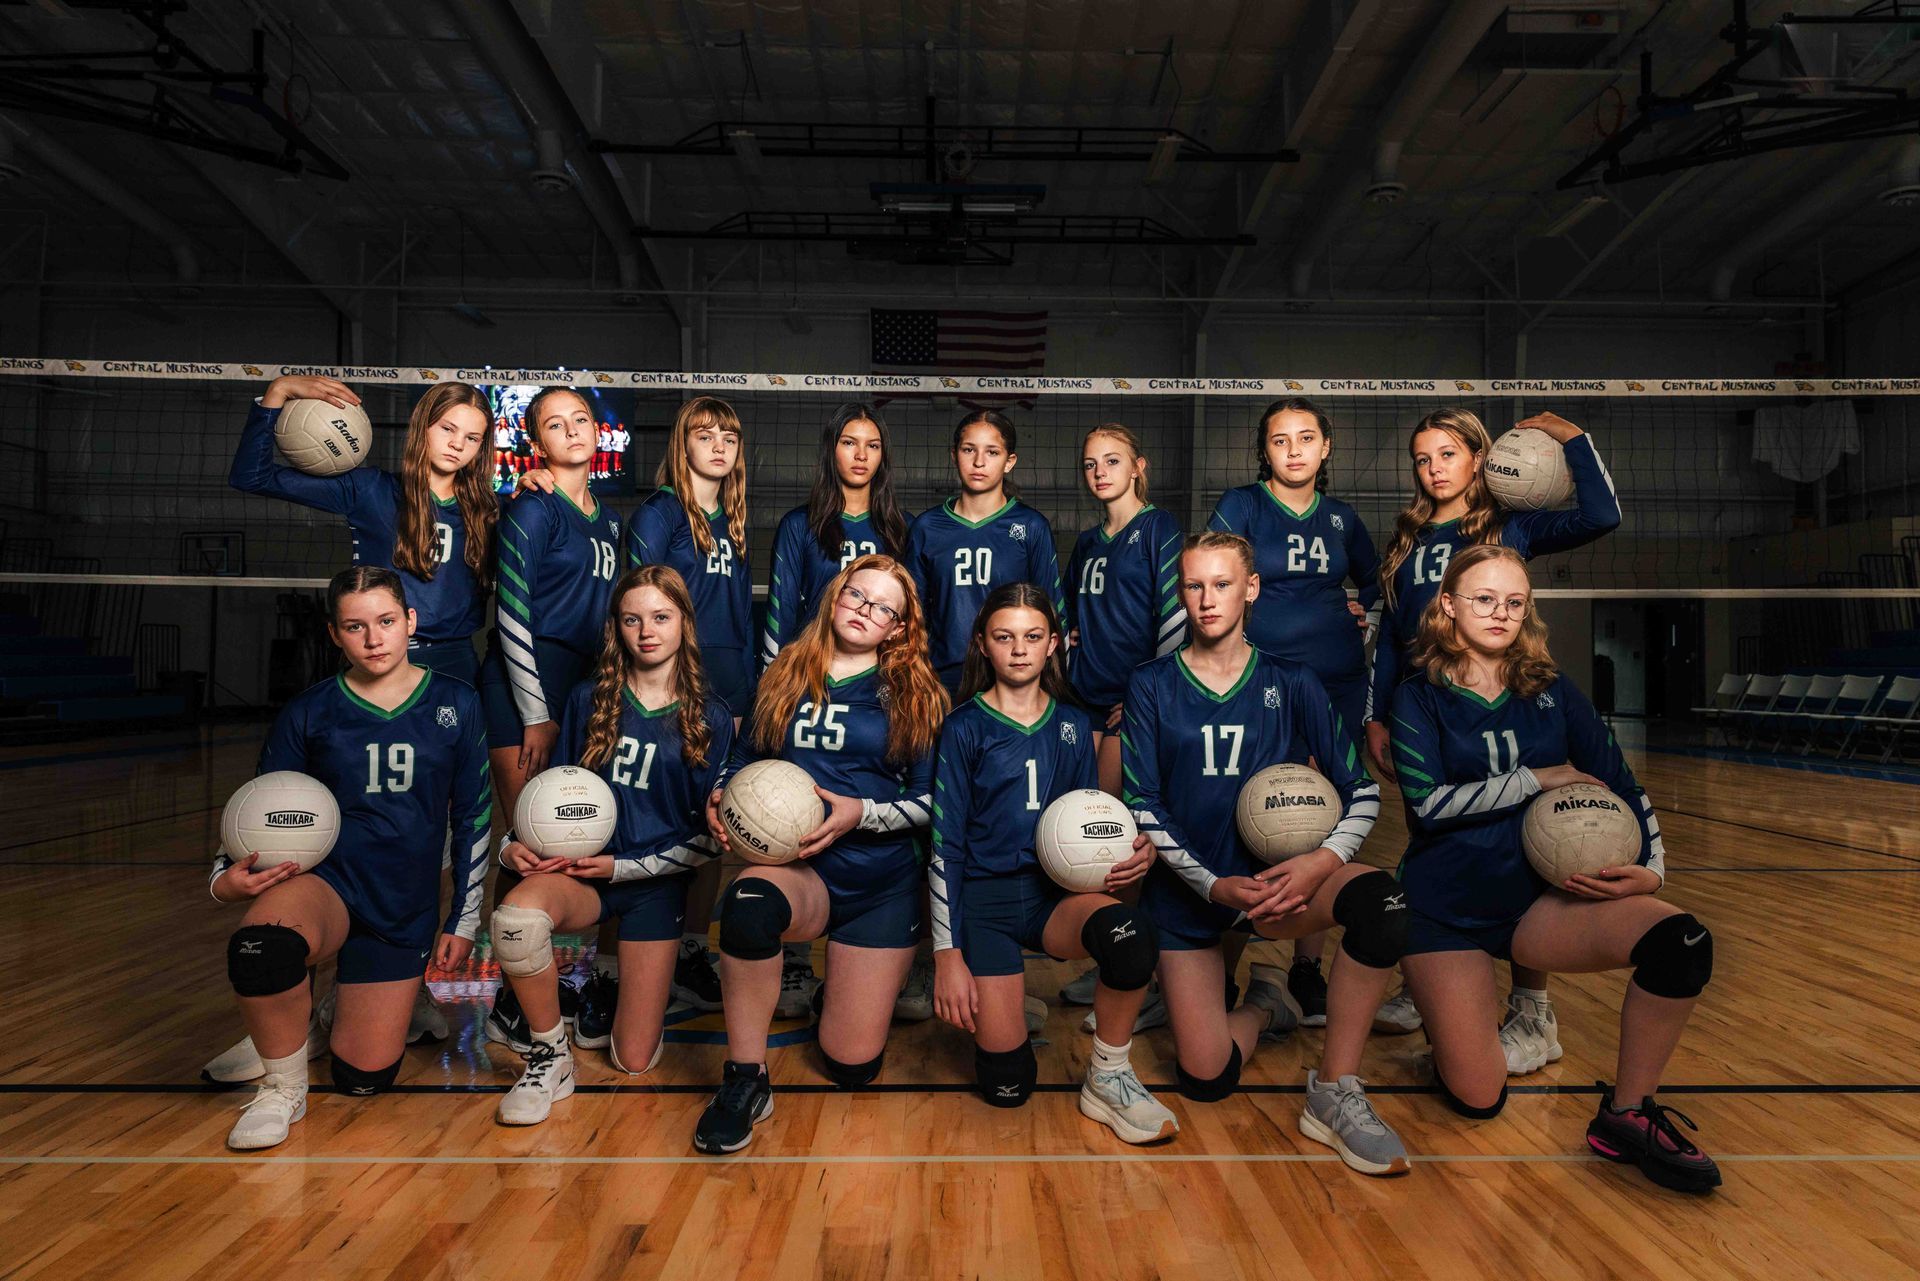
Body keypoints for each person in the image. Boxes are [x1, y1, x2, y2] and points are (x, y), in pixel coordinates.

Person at [1391, 544, 1717, 1194]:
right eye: (1485, 599)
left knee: (1682, 942)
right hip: (1443, 908)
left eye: (1515, 602)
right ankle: (1453, 1028)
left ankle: (1626, 1113)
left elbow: (1623, 783)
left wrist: (1651, 867)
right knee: (1480, 1094)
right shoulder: (1416, 698)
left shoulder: (1551, 690)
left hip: (1536, 907)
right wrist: (1533, 778)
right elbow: (1429, 806)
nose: (1501, 613)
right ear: (1449, 606)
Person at [1126, 532, 1411, 1177]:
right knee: (1206, 1076)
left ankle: (1336, 1088)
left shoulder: (1292, 679)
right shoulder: (1150, 684)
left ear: (1250, 589)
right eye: (1194, 586)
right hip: (1193, 895)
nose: (1206, 600)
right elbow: (1142, 802)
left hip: (1281, 888)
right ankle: (1267, 1003)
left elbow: (1362, 790)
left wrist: (1323, 861)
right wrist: (1211, 885)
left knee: (1386, 904)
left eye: (1222, 584)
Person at [1365, 407, 1622, 1056]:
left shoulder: (1507, 528)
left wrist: (1574, 440)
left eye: (1447, 454)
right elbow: (1392, 641)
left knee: (1522, 843)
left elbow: (1601, 516)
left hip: (1505, 699)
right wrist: (1377, 715)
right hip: (1428, 715)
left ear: (1479, 458)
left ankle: (1532, 1009)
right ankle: (1425, 976)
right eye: (1422, 458)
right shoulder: (1407, 540)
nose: (1433, 468)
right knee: (1434, 841)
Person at [210, 567, 490, 1150]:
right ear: (335, 635)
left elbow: (474, 818)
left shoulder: (456, 703)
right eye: (355, 626)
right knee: (262, 947)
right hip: (326, 885)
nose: (374, 638)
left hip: (403, 902)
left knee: (363, 1076)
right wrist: (222, 879)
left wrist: (462, 921)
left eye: (386, 622)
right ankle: (283, 1089)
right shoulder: (310, 711)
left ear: (411, 622)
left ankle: (328, 1010)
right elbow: (262, 806)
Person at [693, 555, 948, 1153]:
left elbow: (934, 802)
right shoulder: (786, 670)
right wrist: (722, 791)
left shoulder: (916, 693)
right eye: (859, 596)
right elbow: (746, 753)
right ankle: (745, 1079)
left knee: (850, 1065)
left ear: (899, 626)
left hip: (879, 881)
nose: (867, 611)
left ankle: (843, 997)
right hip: (797, 868)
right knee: (747, 908)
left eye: (885, 608)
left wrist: (863, 813)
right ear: (836, 596)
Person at [489, 566, 733, 1124]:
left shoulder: (712, 717)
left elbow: (710, 844)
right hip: (582, 878)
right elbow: (551, 800)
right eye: (632, 619)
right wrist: (513, 847)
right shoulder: (589, 701)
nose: (647, 630)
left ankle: (643, 980)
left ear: (684, 624)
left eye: (661, 617)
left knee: (633, 1060)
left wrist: (624, 866)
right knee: (517, 920)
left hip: (654, 888)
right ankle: (549, 1053)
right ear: (617, 628)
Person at [931, 583, 1173, 1142]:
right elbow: (944, 846)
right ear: (982, 646)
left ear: (1053, 644)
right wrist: (947, 956)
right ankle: (1009, 1003)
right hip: (986, 904)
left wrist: (1127, 854)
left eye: (1033, 636)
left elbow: (1086, 825)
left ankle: (1109, 1075)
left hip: (1051, 899)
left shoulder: (1070, 725)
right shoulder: (963, 727)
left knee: (1132, 934)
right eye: (1004, 637)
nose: (1019, 649)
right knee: (1008, 1087)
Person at [1207, 397, 1379, 1030]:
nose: (1295, 450)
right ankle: (1221, 959)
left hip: (1334, 683)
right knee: (1240, 808)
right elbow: (1214, 570)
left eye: (1306, 438)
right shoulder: (1244, 505)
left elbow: (1377, 584)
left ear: (1325, 447)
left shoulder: (1342, 518)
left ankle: (1307, 965)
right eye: (1281, 440)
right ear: (1266, 451)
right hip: (1258, 684)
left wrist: (1365, 617)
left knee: (1322, 816)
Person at [902, 409, 1066, 1021]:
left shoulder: (1029, 527)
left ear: (1010, 461)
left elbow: (1051, 617)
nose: (979, 461)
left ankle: (1001, 963)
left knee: (1000, 821)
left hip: (1009, 696)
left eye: (991, 451)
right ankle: (934, 957)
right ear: (955, 456)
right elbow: (911, 620)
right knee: (936, 829)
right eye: (968, 449)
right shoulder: (927, 528)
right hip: (939, 691)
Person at [229, 375, 497, 683]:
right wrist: (278, 391)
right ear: (423, 425)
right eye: (447, 428)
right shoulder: (370, 490)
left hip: (455, 660)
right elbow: (251, 476)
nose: (457, 444)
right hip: (379, 658)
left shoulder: (491, 511)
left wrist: (538, 484)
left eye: (472, 437)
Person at [626, 396, 755, 1015]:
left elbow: (735, 613)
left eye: (728, 435)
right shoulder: (661, 512)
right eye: (705, 435)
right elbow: (637, 604)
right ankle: (623, 963)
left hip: (728, 688)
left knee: (711, 827)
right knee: (657, 815)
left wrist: (748, 691)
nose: (719, 445)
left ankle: (689, 951)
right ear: (682, 443)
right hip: (675, 684)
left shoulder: (732, 514)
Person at [1055, 423, 1185, 1017]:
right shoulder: (1085, 542)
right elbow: (1072, 614)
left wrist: (1141, 696)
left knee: (1123, 838)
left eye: (1112, 461)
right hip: (1084, 702)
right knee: (1098, 838)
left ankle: (1146, 973)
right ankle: (1118, 957)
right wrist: (1069, 644)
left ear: (1139, 466)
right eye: (1089, 463)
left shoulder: (1158, 529)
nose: (1100, 472)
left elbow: (1174, 622)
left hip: (1130, 706)